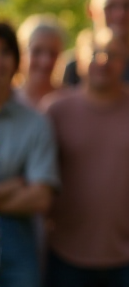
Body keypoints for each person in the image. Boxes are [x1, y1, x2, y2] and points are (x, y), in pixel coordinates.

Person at [45, 29, 129, 287]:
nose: (103, 62)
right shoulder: (55, 111)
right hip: (66, 255)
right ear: (79, 60)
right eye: (95, 54)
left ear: (126, 61)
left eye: (113, 55)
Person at [0, 21, 59, 287]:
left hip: (17, 244)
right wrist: (11, 186)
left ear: (15, 60)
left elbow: (40, 197)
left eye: (5, 52)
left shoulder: (35, 123)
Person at [15, 14, 66, 110]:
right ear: (21, 53)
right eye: (37, 51)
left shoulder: (69, 102)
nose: (45, 61)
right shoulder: (7, 101)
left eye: (53, 53)